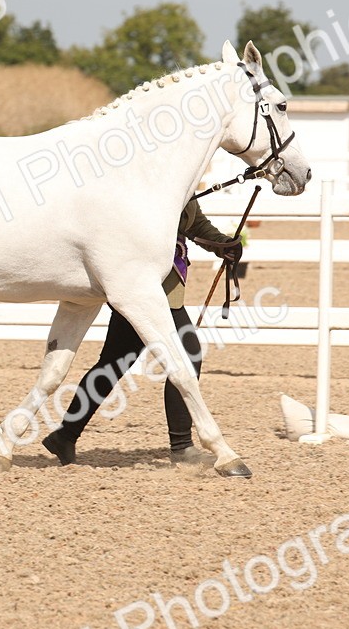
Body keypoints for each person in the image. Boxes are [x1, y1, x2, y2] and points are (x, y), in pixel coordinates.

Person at [41, 197, 242, 466]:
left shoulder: (180, 181)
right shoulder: (149, 181)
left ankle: (65, 435)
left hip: (160, 289)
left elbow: (194, 222)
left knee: (112, 364)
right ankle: (181, 446)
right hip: (141, 287)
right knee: (186, 355)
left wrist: (221, 244)